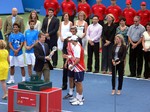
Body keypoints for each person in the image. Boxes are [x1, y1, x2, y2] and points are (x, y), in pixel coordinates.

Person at [67, 35, 85, 105]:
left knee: (78, 83)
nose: (70, 41)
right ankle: (78, 97)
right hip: (77, 68)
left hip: (79, 68)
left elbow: (77, 60)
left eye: (71, 40)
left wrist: (72, 65)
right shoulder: (77, 46)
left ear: (74, 41)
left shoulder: (77, 48)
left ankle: (80, 99)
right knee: (76, 82)